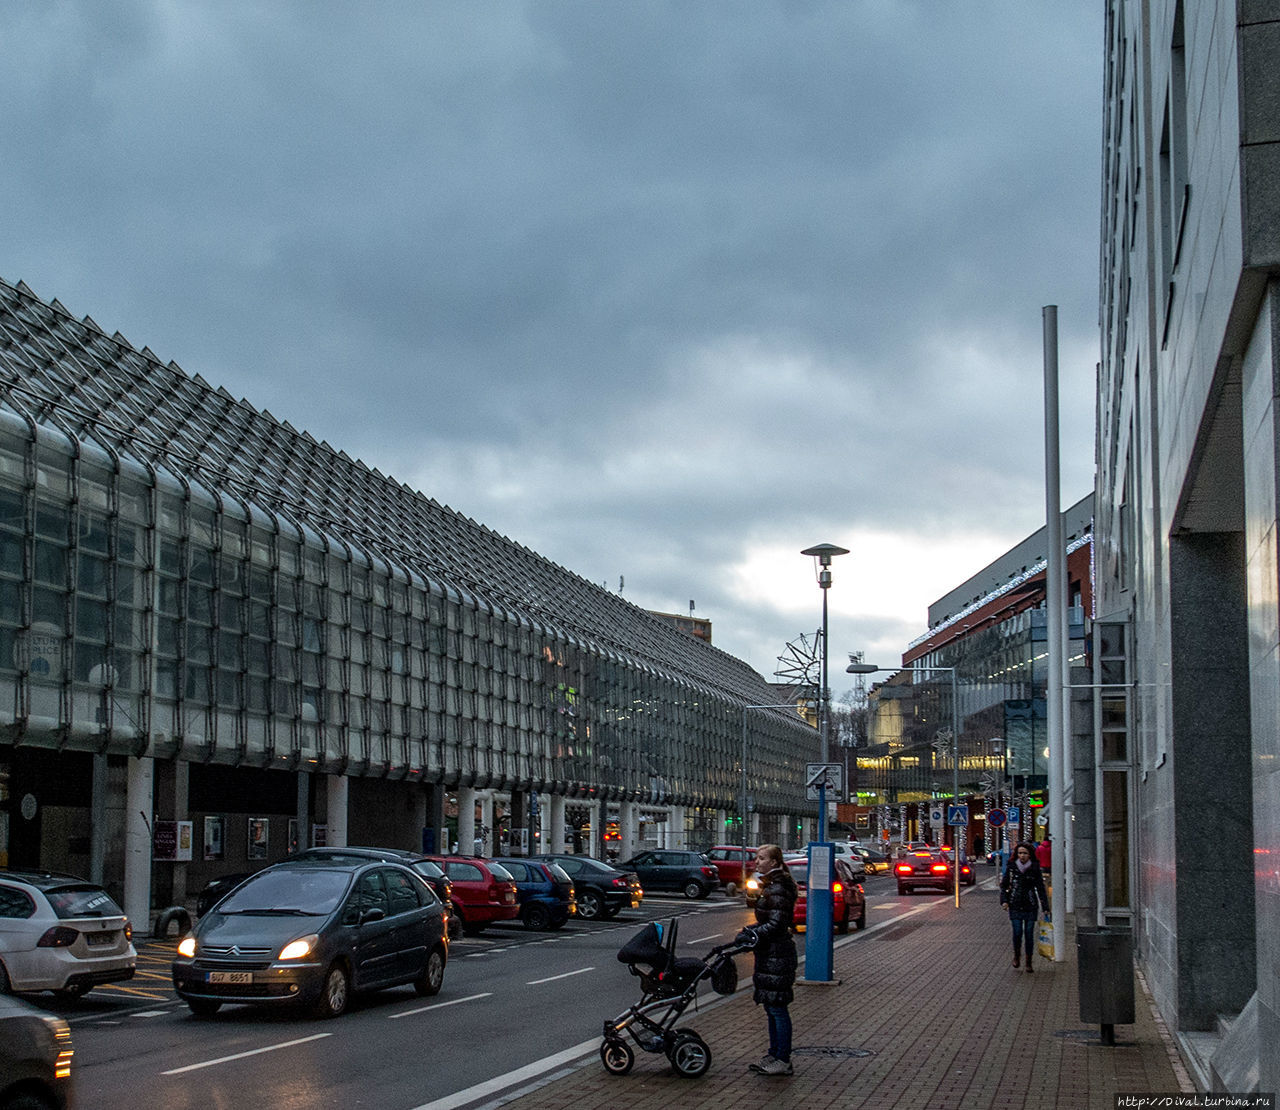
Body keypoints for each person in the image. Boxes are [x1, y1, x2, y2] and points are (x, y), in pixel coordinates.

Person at [735, 843, 798, 1076]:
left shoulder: (778, 887)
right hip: (770, 953)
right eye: (757, 858)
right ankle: (775, 1054)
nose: (757, 862)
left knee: (777, 1008)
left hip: (776, 955)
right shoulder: (772, 884)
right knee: (772, 1007)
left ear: (774, 862)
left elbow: (776, 923)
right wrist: (751, 931)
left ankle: (782, 1059)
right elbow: (769, 921)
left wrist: (753, 934)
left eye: (762, 858)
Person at [1000, 840, 1050, 972]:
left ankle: (1028, 961)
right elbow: (1004, 886)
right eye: (1020, 853)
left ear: (1030, 855)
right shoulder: (1011, 867)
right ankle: (1017, 956)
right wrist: (1004, 901)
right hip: (1015, 903)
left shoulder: (1034, 868)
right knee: (1017, 932)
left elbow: (1040, 888)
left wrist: (1045, 907)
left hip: (1030, 904)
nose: (1022, 856)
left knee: (1029, 933)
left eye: (1025, 853)